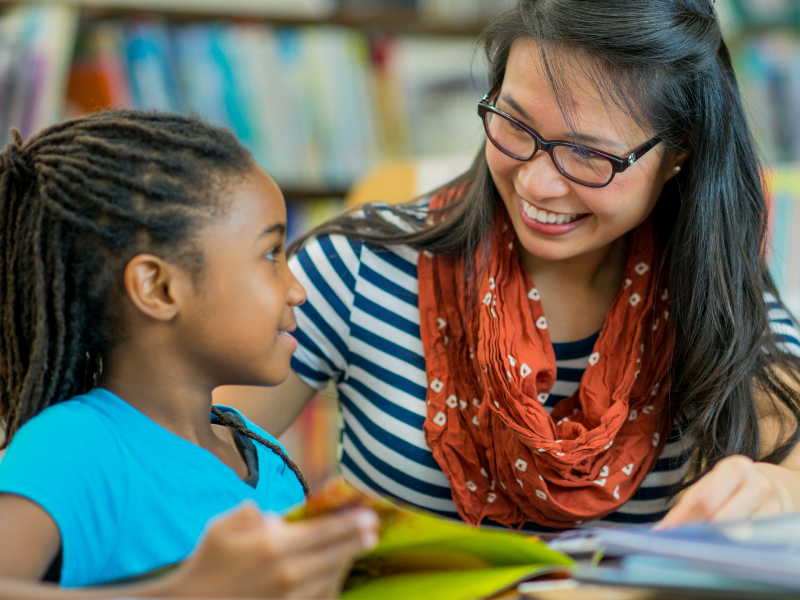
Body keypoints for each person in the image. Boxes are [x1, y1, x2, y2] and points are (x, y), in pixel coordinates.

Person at [217, 0, 800, 532]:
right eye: (516, 125)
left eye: (589, 154)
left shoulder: (710, 292)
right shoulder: (359, 267)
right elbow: (177, 455)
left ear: (679, 153)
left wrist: (779, 487)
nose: (536, 182)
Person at [0, 111, 377, 598]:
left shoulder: (261, 451)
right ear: (158, 287)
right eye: (270, 255)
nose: (298, 290)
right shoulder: (77, 445)